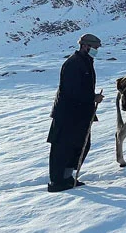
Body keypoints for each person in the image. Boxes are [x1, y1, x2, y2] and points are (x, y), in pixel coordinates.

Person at [47, 34, 104, 192]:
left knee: (81, 146)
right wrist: (93, 97)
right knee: (63, 148)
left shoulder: (86, 61)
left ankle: (68, 177)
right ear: (85, 46)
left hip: (80, 113)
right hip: (68, 114)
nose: (96, 51)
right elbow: (73, 91)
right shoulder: (73, 64)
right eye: (95, 48)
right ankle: (57, 182)